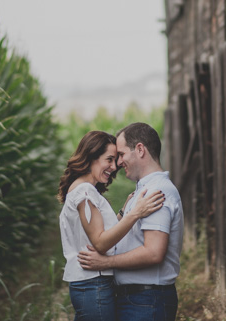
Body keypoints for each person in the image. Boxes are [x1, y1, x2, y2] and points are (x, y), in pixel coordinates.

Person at [78, 122, 184, 321]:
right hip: (139, 299)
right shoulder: (143, 190)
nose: (118, 163)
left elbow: (153, 252)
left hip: (146, 300)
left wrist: (106, 262)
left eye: (121, 154)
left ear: (140, 149)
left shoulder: (156, 192)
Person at [58, 130, 165, 321]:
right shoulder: (85, 192)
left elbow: (99, 233)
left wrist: (122, 213)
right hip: (93, 284)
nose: (114, 166)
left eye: (115, 160)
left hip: (90, 284)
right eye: (109, 159)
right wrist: (135, 214)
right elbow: (100, 243)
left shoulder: (84, 189)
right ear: (91, 157)